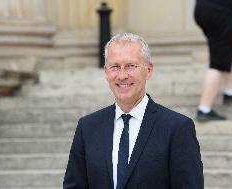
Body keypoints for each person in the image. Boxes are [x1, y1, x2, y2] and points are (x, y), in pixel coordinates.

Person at [63, 33, 204, 189]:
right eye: (115, 66)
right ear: (106, 72)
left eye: (130, 66)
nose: (122, 75)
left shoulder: (177, 128)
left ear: (148, 70)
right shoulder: (87, 127)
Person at [194, 0, 232, 121]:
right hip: (221, 12)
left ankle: (230, 92)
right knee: (218, 62)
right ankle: (204, 109)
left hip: (208, 8)